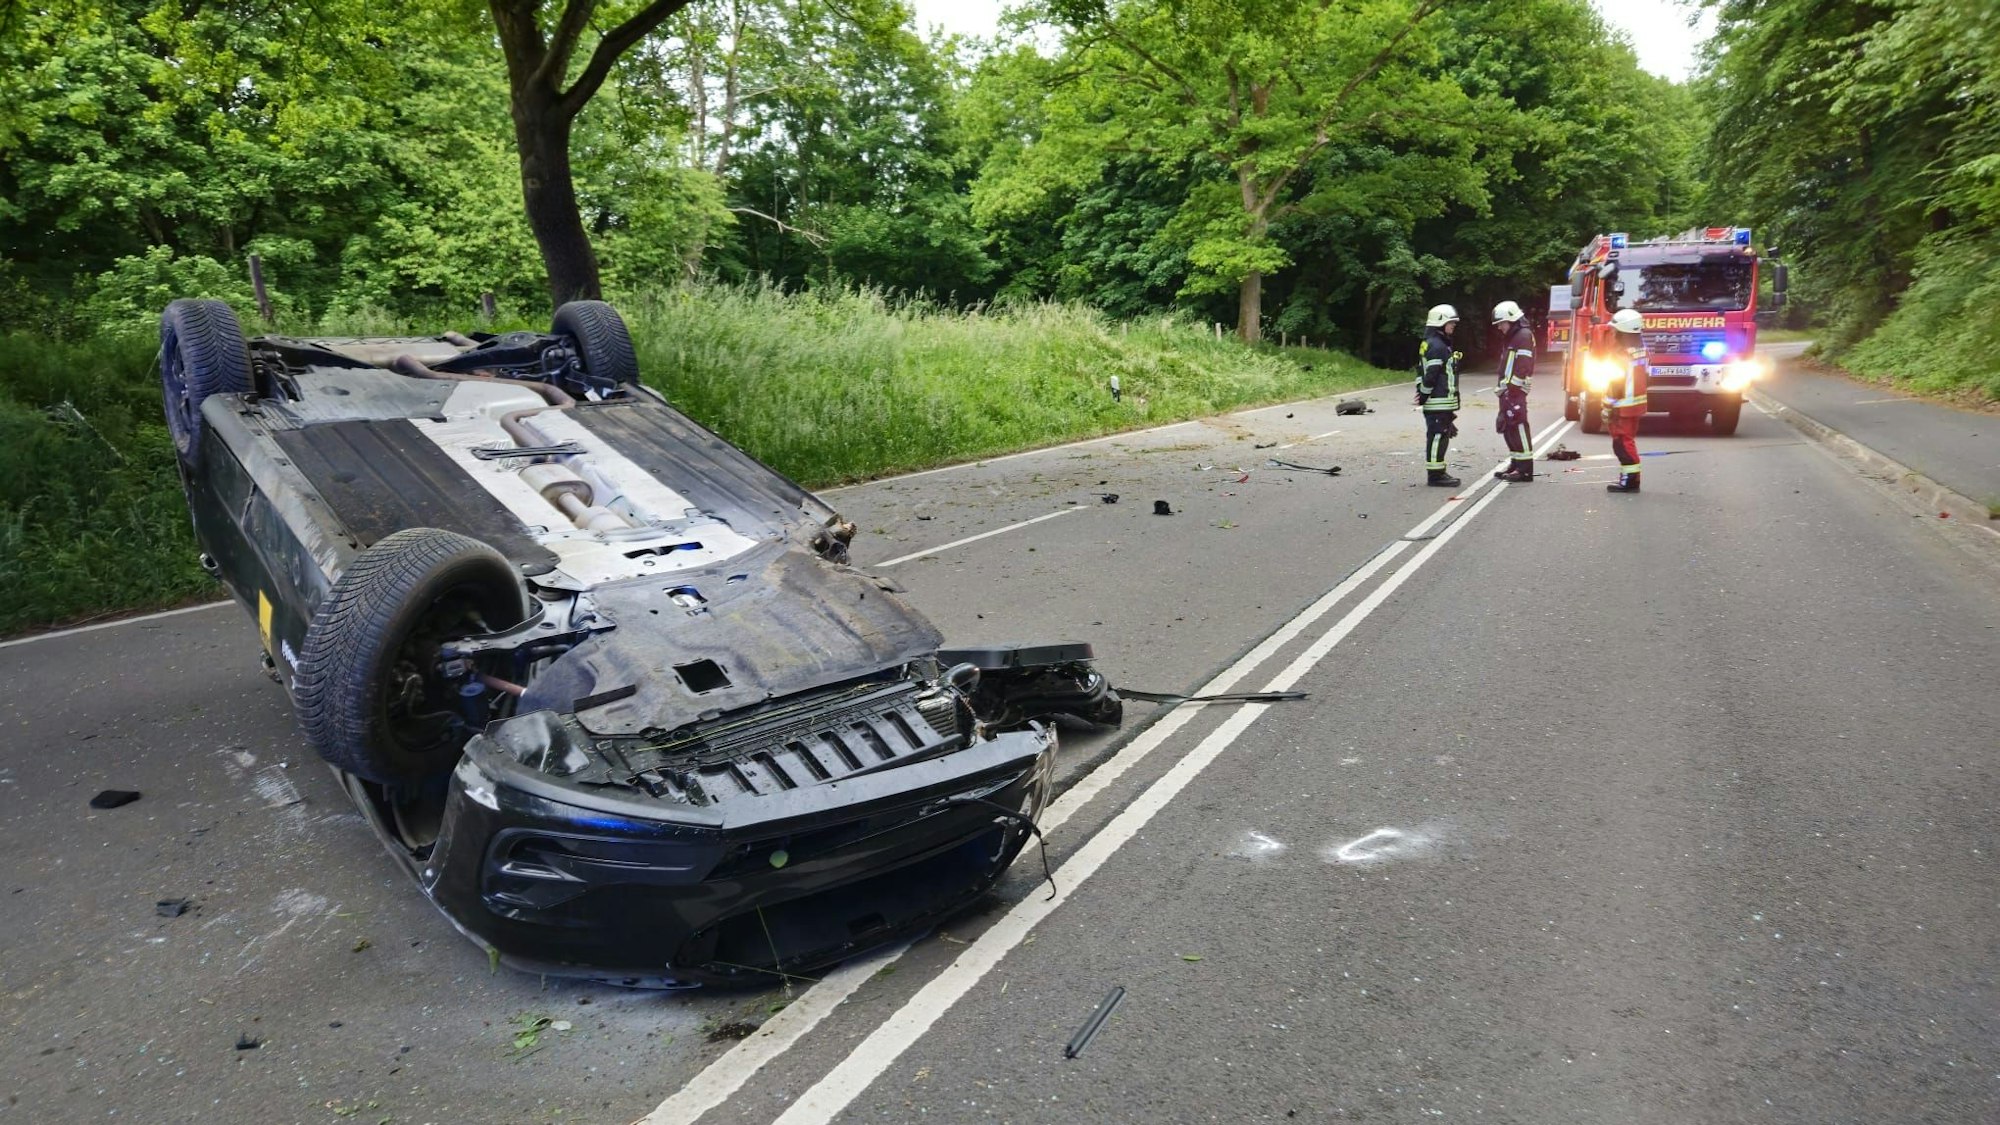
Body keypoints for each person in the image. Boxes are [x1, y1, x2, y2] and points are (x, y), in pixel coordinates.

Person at [1415, 304, 1462, 487]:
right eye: (1451, 323)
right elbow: (1431, 374)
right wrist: (1424, 396)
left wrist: (1422, 394)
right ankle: (1435, 475)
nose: (1453, 327)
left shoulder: (1434, 343)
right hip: (1437, 400)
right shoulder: (1437, 345)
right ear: (1441, 323)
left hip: (1440, 400)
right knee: (1437, 437)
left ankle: (1439, 472)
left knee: (1441, 436)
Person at [1491, 300, 1536, 481]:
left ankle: (1525, 469)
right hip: (1508, 392)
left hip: (1514, 392)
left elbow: (1523, 366)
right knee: (1508, 427)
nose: (1500, 327)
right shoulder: (1514, 336)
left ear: (1511, 319)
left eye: (1501, 323)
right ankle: (1516, 463)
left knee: (1518, 426)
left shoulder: (1523, 335)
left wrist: (1513, 389)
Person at [1605, 307, 1649, 493]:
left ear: (1623, 332)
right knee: (1627, 441)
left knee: (1622, 443)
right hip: (1636, 405)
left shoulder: (1619, 355)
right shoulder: (1642, 351)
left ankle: (1630, 482)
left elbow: (1615, 384)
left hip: (1622, 406)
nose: (1613, 333)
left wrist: (1607, 405)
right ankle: (1629, 479)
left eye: (1615, 331)